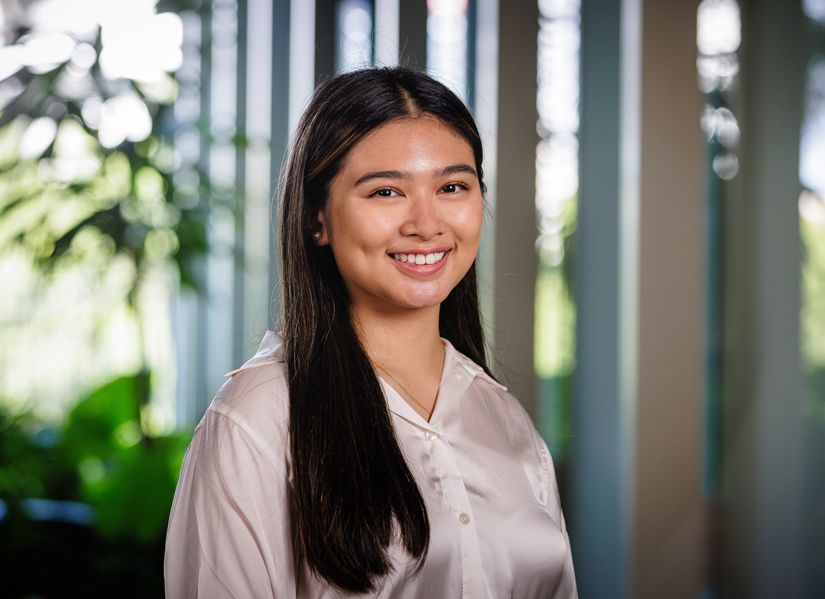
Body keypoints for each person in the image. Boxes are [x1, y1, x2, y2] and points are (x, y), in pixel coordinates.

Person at [164, 66, 577, 598]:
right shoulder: (258, 419)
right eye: (386, 192)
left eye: (452, 186)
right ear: (317, 217)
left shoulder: (504, 417)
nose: (427, 224)